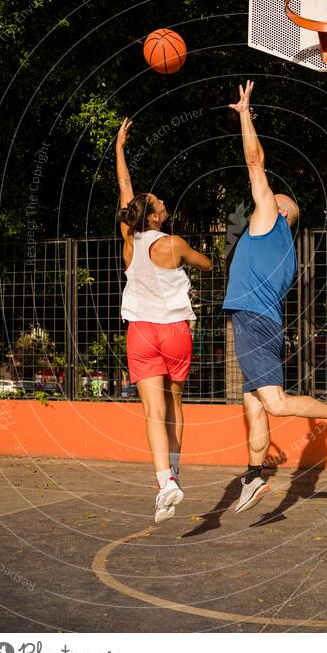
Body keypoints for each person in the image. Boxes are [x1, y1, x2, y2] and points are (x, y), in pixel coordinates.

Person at [222, 81, 327, 514]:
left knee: (274, 403)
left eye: (272, 199)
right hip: (261, 323)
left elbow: (254, 161)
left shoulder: (270, 219)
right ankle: (254, 476)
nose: (262, 200)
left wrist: (245, 113)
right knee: (253, 404)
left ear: (282, 212)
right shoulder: (284, 253)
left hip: (253, 320)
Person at [116, 118, 212, 524]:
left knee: (153, 411)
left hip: (140, 332)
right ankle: (175, 466)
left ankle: (164, 483)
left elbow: (125, 191)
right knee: (175, 403)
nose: (160, 200)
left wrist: (119, 148)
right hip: (175, 333)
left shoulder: (127, 241)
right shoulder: (174, 244)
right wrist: (198, 261)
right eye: (156, 201)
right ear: (154, 218)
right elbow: (206, 264)